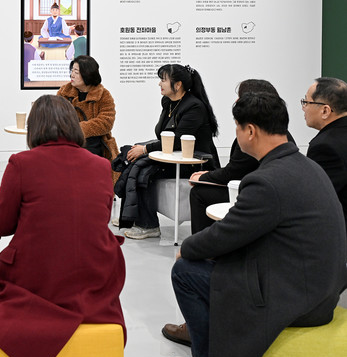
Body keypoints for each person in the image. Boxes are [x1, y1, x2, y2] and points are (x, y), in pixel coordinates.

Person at [163, 92, 347, 357]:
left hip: (298, 300)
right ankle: (202, 331)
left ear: (250, 131)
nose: (237, 135)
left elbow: (226, 234)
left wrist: (186, 248)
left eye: (237, 128)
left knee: (185, 271)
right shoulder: (305, 165)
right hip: (322, 289)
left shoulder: (266, 180)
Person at [0, 95, 126, 357]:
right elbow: (101, 217)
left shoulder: (22, 163)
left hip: (37, 278)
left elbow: (3, 224)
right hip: (95, 277)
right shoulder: (101, 165)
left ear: (34, 128)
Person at [118, 64, 220, 239]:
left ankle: (149, 225)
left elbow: (178, 140)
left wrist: (146, 149)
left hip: (193, 161)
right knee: (129, 154)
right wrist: (142, 149)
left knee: (144, 171)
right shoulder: (168, 102)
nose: (159, 84)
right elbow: (164, 135)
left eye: (163, 80)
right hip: (173, 155)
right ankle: (131, 217)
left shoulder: (194, 107)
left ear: (178, 85)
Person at [189, 79, 294, 234]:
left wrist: (204, 177)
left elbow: (233, 173)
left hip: (258, 196)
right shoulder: (281, 135)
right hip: (266, 194)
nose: (236, 101)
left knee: (199, 193)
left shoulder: (254, 140)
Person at [56, 55, 119, 168]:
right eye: (72, 71)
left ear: (87, 74)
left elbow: (106, 122)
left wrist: (77, 128)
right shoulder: (64, 92)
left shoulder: (103, 95)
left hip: (96, 146)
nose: (72, 75)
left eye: (76, 72)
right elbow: (57, 117)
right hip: (69, 144)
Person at [302, 77, 347, 230]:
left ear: (325, 110)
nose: (303, 108)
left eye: (306, 102)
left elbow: (316, 198)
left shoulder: (325, 147)